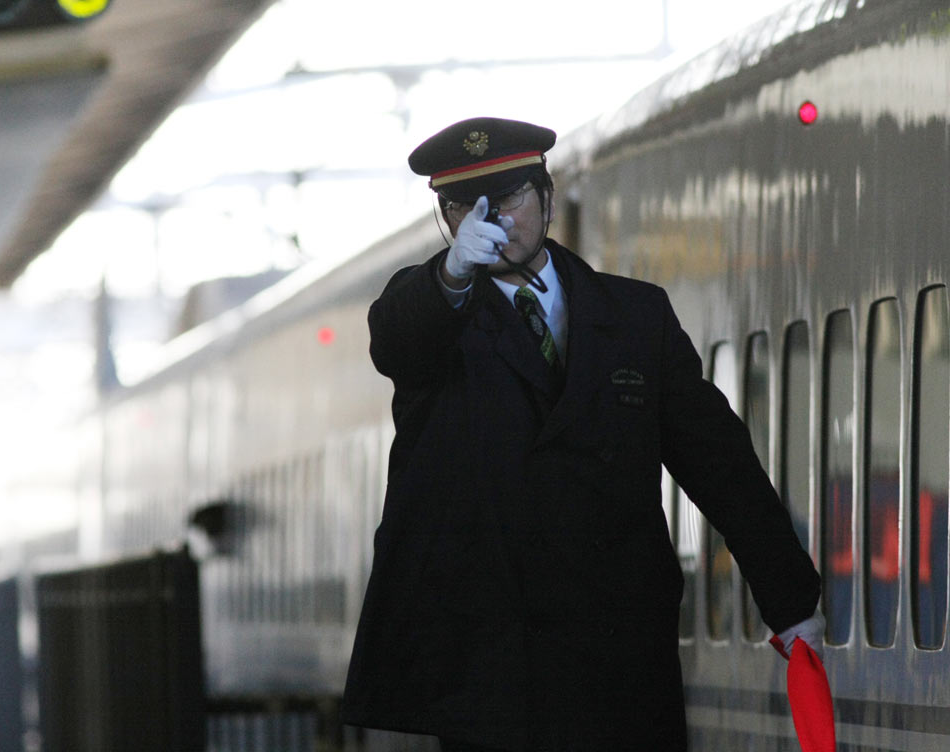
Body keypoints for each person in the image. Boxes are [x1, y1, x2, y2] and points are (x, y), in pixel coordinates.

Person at [341, 116, 824, 752]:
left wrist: (790, 599)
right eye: (462, 205)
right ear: (447, 220)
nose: (490, 218)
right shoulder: (435, 316)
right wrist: (451, 276)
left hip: (619, 656)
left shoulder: (635, 317)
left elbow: (718, 461)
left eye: (509, 196)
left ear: (547, 198)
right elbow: (395, 338)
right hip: (492, 671)